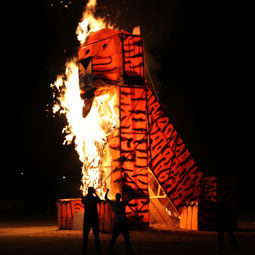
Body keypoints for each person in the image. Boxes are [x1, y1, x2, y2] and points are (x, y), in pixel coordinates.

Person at [105, 189, 134, 254]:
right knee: (126, 237)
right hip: (123, 223)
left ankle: (110, 248)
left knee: (114, 237)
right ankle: (129, 250)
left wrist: (107, 192)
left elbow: (106, 198)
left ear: (116, 198)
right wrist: (132, 193)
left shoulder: (113, 204)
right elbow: (130, 198)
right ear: (120, 197)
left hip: (117, 223)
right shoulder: (123, 203)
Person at [82, 187, 102, 255]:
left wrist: (84, 193)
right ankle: (98, 250)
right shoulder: (94, 198)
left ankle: (84, 250)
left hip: (87, 219)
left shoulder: (85, 198)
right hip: (94, 219)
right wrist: (95, 193)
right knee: (96, 236)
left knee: (85, 236)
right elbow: (100, 201)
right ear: (92, 191)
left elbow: (82, 201)